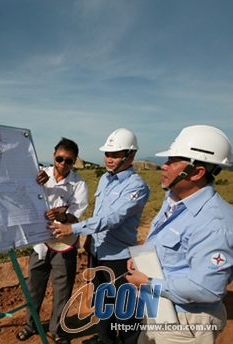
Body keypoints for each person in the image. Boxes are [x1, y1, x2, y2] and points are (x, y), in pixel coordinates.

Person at [126, 125, 233, 344]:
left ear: (197, 172)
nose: (163, 166)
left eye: (172, 161)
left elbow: (207, 290)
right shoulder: (174, 200)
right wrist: (142, 261)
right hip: (158, 307)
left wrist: (147, 282)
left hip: (185, 322)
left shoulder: (213, 223)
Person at [49, 128, 150, 344]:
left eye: (115, 155)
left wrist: (73, 229)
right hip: (98, 253)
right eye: (107, 154)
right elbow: (98, 214)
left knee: (125, 311)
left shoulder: (136, 186)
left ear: (130, 156)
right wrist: (90, 241)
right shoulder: (105, 179)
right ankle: (104, 340)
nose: (109, 159)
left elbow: (113, 218)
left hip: (120, 258)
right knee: (102, 303)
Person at [17, 138, 88, 344]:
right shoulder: (40, 174)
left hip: (63, 243)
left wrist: (61, 214)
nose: (62, 164)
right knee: (34, 286)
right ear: (54, 155)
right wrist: (32, 181)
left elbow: (76, 214)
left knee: (62, 288)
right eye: (59, 158)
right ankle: (31, 325)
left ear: (74, 162)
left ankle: (58, 329)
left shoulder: (78, 183)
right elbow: (22, 194)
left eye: (68, 161)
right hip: (39, 242)